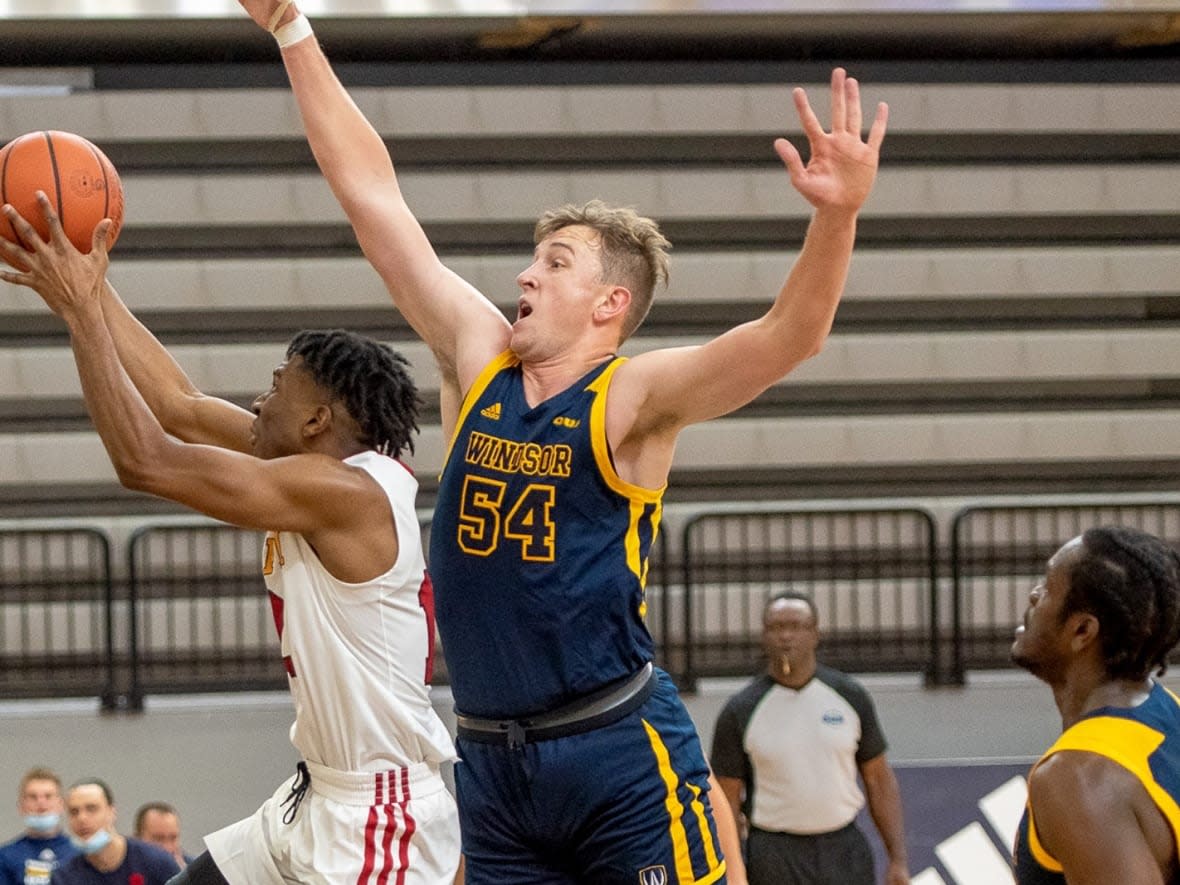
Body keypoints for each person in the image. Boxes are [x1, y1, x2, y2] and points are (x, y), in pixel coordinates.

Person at [235, 3, 886, 881]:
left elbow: (787, 337)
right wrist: (290, 30)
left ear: (610, 303)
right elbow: (373, 197)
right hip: (491, 759)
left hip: (612, 747)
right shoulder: (480, 358)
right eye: (534, 257)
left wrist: (837, 215)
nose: (525, 273)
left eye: (556, 261)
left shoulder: (632, 396)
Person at [0, 198, 460, 885]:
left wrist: (79, 314)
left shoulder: (346, 495)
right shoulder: (313, 471)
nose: (257, 399)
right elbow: (177, 405)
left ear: (315, 420)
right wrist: (89, 283)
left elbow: (145, 460)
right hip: (316, 795)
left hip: (378, 817)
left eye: (277, 385)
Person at [1010, 526, 1180, 884]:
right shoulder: (1170, 711)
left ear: (1082, 631)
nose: (1033, 595)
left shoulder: (1080, 777)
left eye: (1048, 587)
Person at [711, 593, 910, 885]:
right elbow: (725, 797)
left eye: (796, 626)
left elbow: (878, 779)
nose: (786, 636)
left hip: (842, 849)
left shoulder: (849, 697)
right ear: (764, 636)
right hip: (772, 854)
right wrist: (733, 867)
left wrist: (898, 859)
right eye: (776, 627)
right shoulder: (740, 710)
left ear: (815, 634)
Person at [50, 780, 178, 885]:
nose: (82, 818)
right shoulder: (63, 878)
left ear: (112, 812)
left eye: (91, 809)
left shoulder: (156, 863)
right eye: (74, 812)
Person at [0, 767, 77, 885]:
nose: (41, 803)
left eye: (48, 796)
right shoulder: (6, 856)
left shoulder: (80, 853)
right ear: (21, 806)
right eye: (33, 797)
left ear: (61, 805)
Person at [132, 805, 191, 871]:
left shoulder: (194, 870)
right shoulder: (125, 870)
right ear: (137, 840)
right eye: (158, 839)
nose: (168, 848)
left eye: (173, 838)